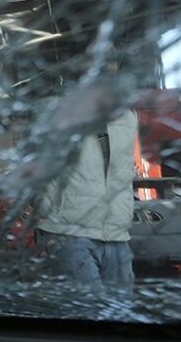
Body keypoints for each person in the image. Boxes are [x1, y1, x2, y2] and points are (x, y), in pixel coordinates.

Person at [36, 103, 139, 287]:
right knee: (88, 303)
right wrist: (49, 212)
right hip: (70, 231)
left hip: (116, 233)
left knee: (119, 304)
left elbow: (124, 169)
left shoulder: (127, 115)